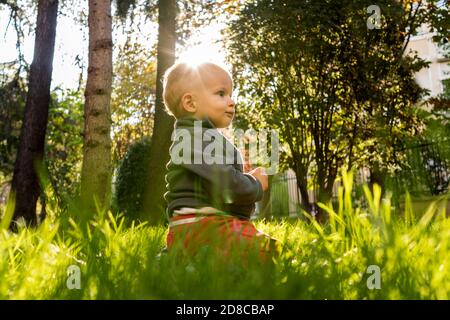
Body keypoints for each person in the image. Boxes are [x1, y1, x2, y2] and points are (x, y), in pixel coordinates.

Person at [162, 61, 279, 262]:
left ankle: (188, 258)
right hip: (200, 226)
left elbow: (220, 184)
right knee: (267, 250)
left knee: (263, 249)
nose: (231, 101)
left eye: (231, 94)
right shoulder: (192, 136)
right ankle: (199, 258)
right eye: (221, 94)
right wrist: (255, 184)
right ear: (190, 103)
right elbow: (225, 183)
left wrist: (243, 176)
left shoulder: (201, 137)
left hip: (207, 224)